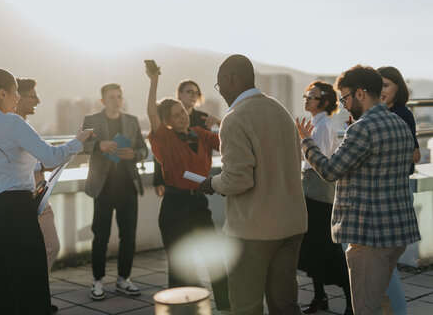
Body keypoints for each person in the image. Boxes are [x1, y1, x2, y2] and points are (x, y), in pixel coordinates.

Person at [0, 68, 94, 315]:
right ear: (2, 94)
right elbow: (51, 156)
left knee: (2, 296)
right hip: (16, 216)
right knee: (31, 293)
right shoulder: (12, 122)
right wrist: (78, 141)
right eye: (15, 93)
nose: (18, 98)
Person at [296, 65, 421, 315]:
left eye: (344, 97)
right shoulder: (399, 123)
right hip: (396, 230)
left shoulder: (361, 128)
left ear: (360, 94)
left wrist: (307, 143)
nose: (343, 104)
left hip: (368, 235)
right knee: (383, 301)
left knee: (365, 306)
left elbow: (330, 170)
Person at [199, 54, 307, 315]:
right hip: (292, 224)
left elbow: (238, 179)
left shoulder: (235, 118)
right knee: (285, 305)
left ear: (230, 79)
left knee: (245, 306)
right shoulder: (279, 109)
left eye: (219, 85)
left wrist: (211, 183)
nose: (221, 91)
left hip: (253, 232)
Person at [146, 64, 230, 312]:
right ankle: (180, 310)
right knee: (180, 266)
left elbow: (230, 142)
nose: (182, 115)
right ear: (167, 121)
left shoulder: (201, 133)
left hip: (198, 204)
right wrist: (153, 82)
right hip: (173, 207)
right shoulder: (165, 138)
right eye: (176, 114)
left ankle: (227, 306)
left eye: (182, 111)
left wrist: (222, 123)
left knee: (214, 260)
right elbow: (151, 112)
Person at [82, 83, 148, 300]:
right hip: (103, 186)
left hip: (128, 185)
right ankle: (97, 280)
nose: (116, 100)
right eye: (111, 97)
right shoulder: (92, 120)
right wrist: (99, 144)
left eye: (119, 96)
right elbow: (81, 145)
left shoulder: (131, 121)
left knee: (128, 236)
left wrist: (134, 154)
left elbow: (143, 149)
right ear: (102, 101)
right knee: (100, 236)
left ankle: (123, 279)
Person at [297, 81, 353, 315]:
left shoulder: (323, 125)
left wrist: (303, 142)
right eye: (306, 95)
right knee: (313, 247)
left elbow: (315, 159)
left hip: (318, 193)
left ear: (326, 101)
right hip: (313, 191)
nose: (307, 99)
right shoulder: (318, 123)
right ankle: (321, 296)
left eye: (313, 96)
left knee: (325, 248)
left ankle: (350, 302)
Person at [378, 66, 421, 315]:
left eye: (386, 85)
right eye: (378, 85)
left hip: (395, 191)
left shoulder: (401, 113)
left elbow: (414, 153)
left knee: (385, 264)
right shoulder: (386, 113)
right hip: (389, 190)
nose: (381, 91)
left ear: (398, 88)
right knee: (382, 265)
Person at [15, 78, 60, 314]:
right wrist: (45, 161)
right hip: (30, 199)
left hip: (39, 196)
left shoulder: (24, 124)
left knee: (48, 248)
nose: (38, 100)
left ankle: (34, 297)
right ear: (19, 97)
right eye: (34, 96)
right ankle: (31, 298)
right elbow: (18, 166)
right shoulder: (15, 126)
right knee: (48, 247)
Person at [152, 79, 220, 197]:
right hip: (177, 183)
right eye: (189, 91)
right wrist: (158, 180)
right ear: (179, 94)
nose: (194, 95)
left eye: (196, 93)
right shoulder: (165, 121)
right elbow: (160, 152)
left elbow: (217, 145)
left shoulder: (203, 119)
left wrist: (220, 123)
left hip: (199, 181)